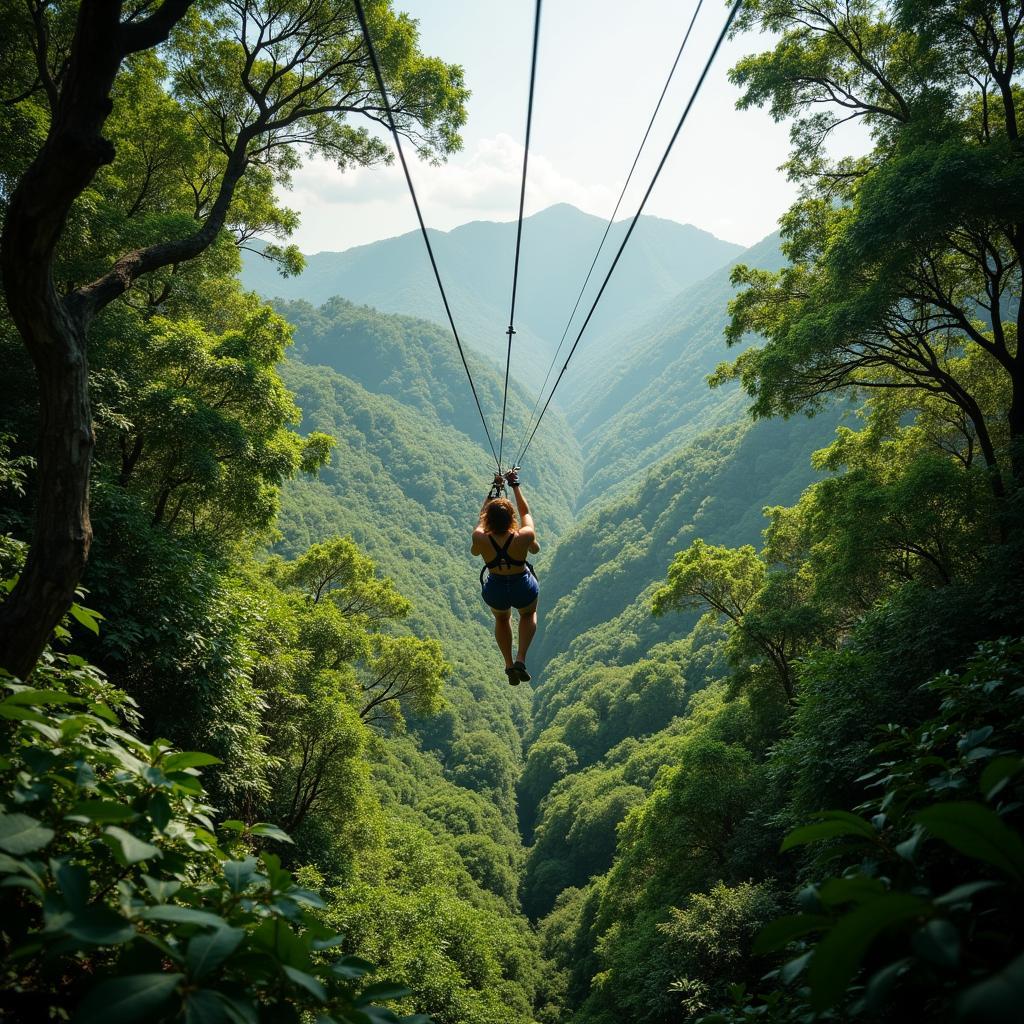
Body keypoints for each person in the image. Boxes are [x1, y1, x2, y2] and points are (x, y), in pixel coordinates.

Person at [472, 468, 540, 685]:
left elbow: (481, 521)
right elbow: (525, 514)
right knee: (528, 615)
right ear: (511, 518)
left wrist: (494, 490)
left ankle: (508, 663)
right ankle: (521, 658)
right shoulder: (524, 536)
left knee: (502, 619)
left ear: (488, 519)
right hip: (521, 584)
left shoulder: (480, 537)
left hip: (496, 587)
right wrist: (515, 485)